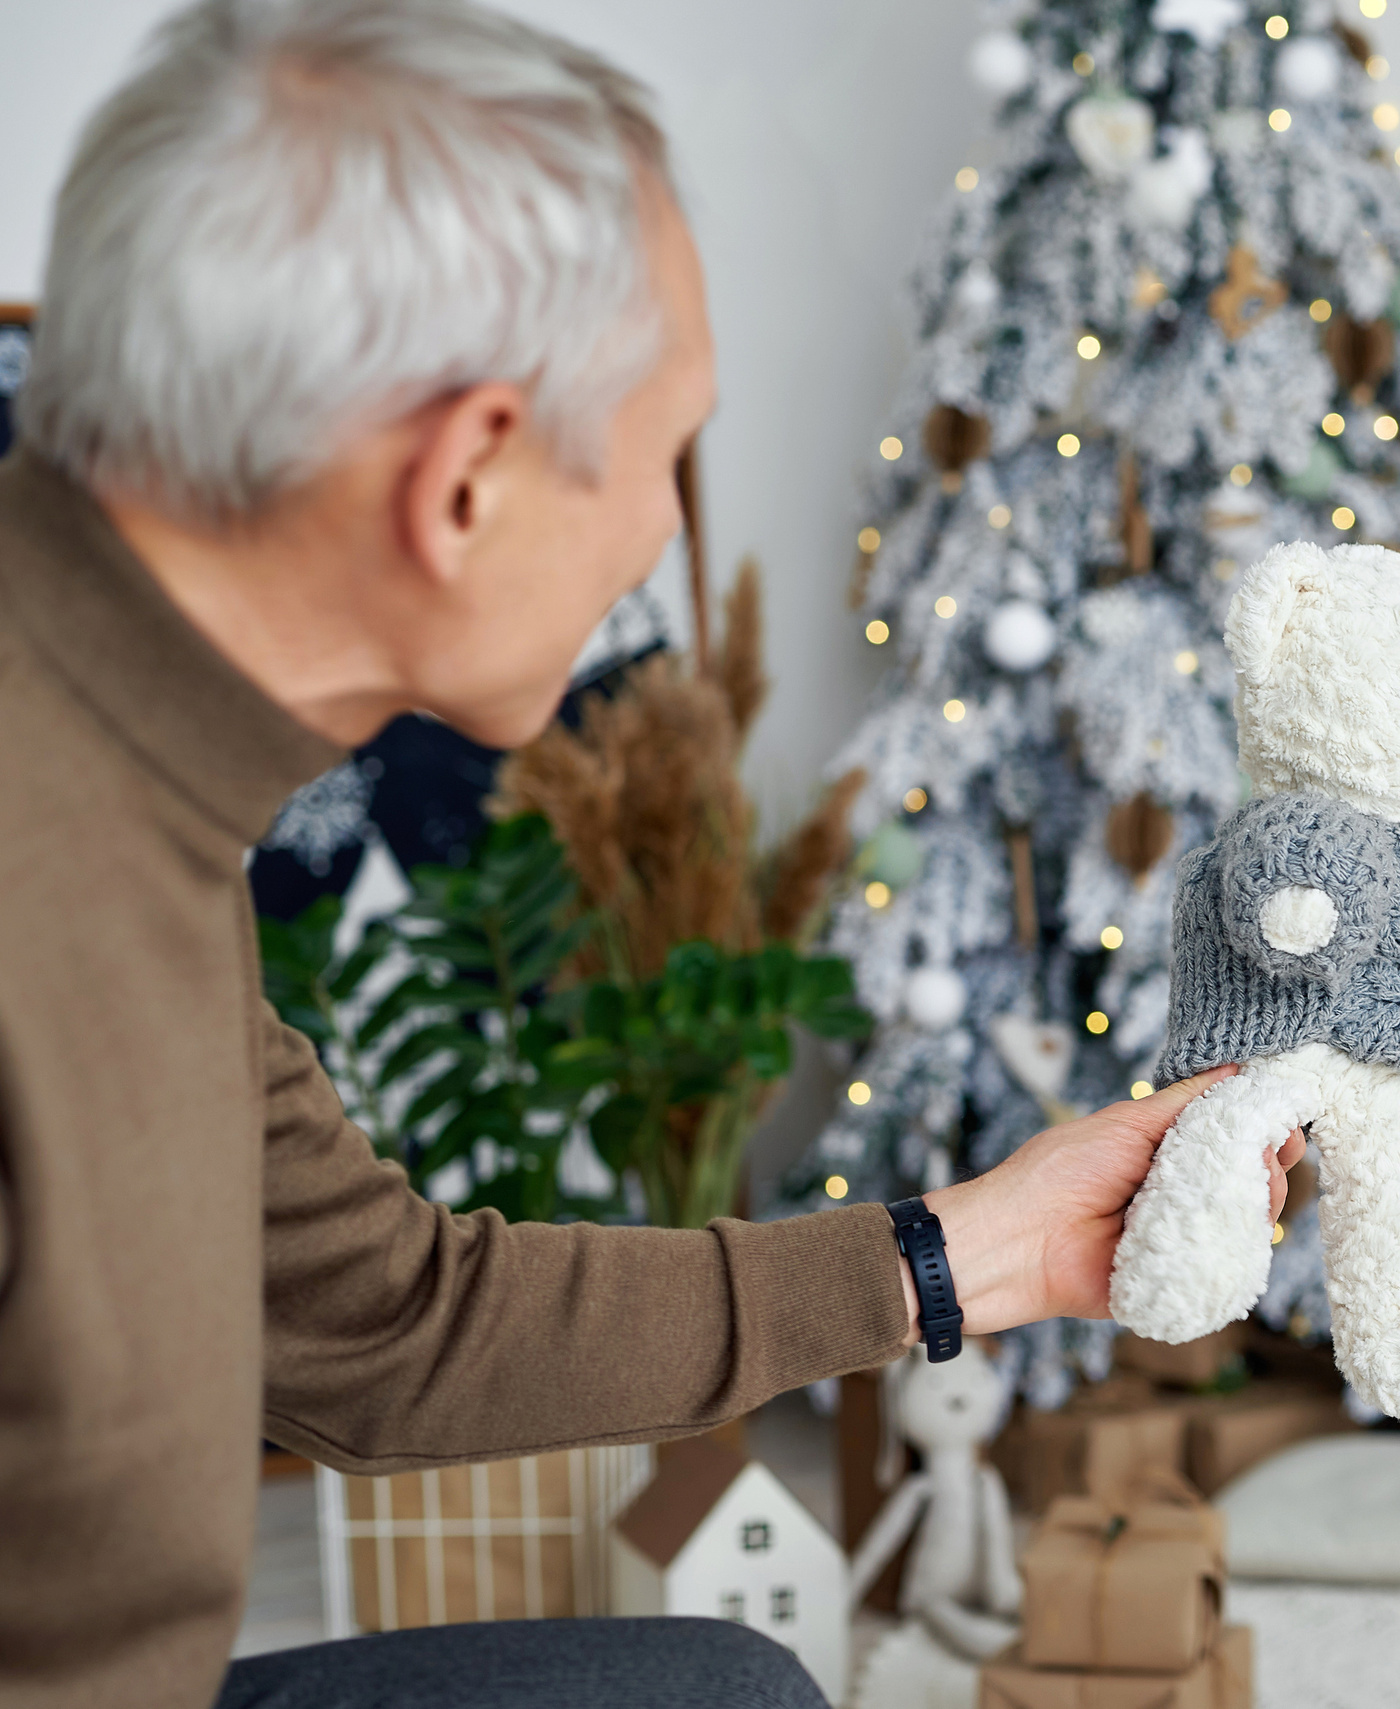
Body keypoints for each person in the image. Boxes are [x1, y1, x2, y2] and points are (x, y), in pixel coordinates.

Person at [0, 4, 1295, 1706]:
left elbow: (377, 1319)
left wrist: (968, 1252)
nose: (667, 533)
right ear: (467, 478)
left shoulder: (130, 777)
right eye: (660, 450)